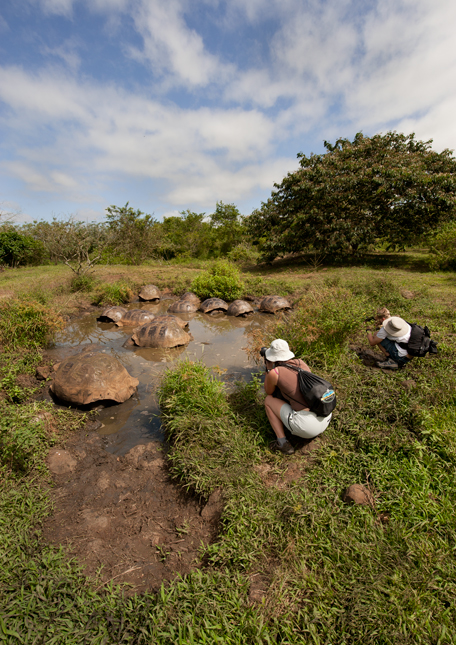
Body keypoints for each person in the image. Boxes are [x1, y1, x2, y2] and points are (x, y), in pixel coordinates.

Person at [263, 339, 332, 455]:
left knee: (268, 401)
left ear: (272, 358)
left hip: (308, 428)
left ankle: (282, 443)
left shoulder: (275, 373)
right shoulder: (300, 363)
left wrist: (269, 368)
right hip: (325, 417)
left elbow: (268, 391)